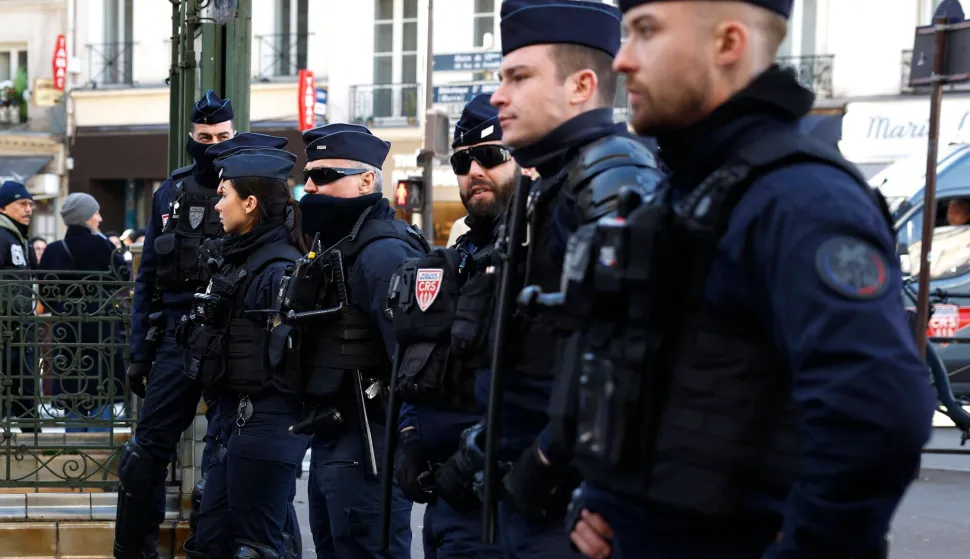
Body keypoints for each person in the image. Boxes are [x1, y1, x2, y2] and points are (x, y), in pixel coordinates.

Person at [565, 1, 937, 558]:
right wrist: (598, 499)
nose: (622, 61)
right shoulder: (689, 188)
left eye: (646, 33)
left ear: (728, 44)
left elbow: (877, 419)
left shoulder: (803, 200)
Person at [440, 2, 665, 558]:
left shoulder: (611, 178)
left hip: (569, 509)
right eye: (501, 77)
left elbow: (649, 359)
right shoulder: (551, 186)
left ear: (582, 86)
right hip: (520, 498)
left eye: (519, 77)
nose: (498, 96)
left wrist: (603, 492)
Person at [114, 90, 238, 558]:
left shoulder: (254, 186)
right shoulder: (171, 191)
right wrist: (139, 353)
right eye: (204, 137)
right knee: (142, 458)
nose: (212, 145)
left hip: (232, 339)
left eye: (222, 137)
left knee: (232, 456)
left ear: (234, 134)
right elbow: (147, 278)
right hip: (175, 337)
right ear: (191, 137)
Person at [392, 93, 516, 559]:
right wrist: (407, 438)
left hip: (498, 496)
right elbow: (416, 358)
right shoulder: (452, 258)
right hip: (442, 496)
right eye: (463, 162)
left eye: (490, 156)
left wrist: (474, 458)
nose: (475, 172)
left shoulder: (537, 249)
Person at [295, 123, 425, 558]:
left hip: (370, 442)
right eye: (309, 175)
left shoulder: (384, 253)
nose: (310, 185)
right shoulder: (338, 245)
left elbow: (415, 360)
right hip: (335, 434)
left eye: (326, 175)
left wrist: (410, 439)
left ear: (367, 180)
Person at [182, 140, 308, 558]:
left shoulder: (278, 268)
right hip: (232, 418)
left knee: (257, 545)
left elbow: (289, 364)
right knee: (210, 539)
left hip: (263, 422)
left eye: (224, 195)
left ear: (250, 203)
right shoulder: (241, 258)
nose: (217, 205)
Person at [38, 193, 128, 431]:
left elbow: (44, 294)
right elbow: (123, 277)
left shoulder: (54, 250)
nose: (99, 218)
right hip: (101, 330)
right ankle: (102, 449)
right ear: (86, 217)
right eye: (95, 213)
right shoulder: (101, 245)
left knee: (73, 392)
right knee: (102, 389)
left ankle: (74, 448)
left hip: (67, 330)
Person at [0, 180, 36, 429]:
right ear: (3, 207)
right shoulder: (3, 236)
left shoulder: (18, 237)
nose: (28, 209)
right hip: (6, 325)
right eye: (22, 203)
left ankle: (33, 438)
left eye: (31, 204)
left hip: (18, 327)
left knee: (24, 384)